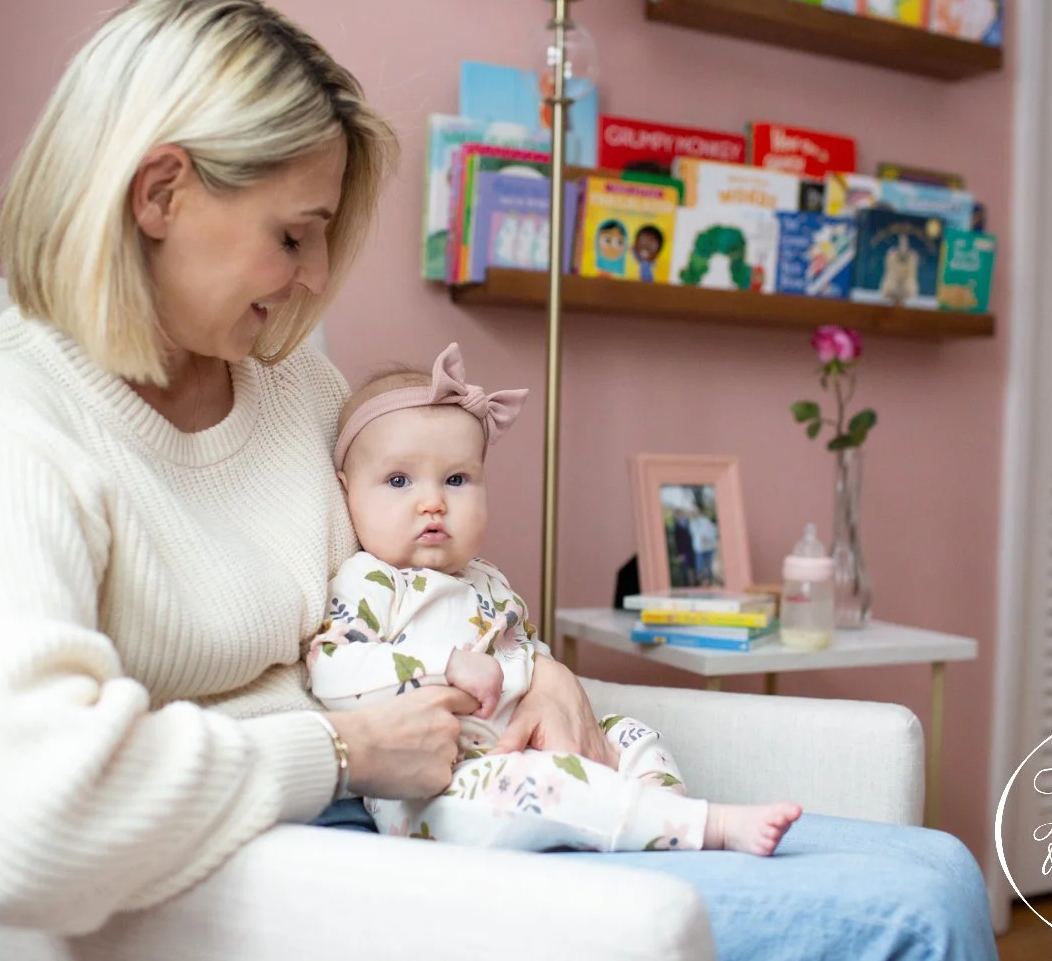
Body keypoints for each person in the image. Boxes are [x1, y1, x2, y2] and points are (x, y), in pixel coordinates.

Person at [0, 0, 999, 958]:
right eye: (293, 234)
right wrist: (340, 751)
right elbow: (18, 831)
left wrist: (544, 675)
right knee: (900, 912)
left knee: (936, 865)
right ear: (160, 194)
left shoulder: (289, 386)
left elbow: (418, 598)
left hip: (441, 797)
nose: (315, 277)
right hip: (303, 865)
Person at [310, 344, 802, 855]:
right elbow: (332, 669)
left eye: (456, 479)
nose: (432, 502)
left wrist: (549, 695)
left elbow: (531, 658)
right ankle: (704, 827)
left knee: (630, 733)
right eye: (398, 480)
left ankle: (657, 824)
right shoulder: (371, 581)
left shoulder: (489, 581)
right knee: (538, 786)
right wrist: (446, 665)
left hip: (529, 748)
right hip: (435, 785)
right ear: (348, 492)